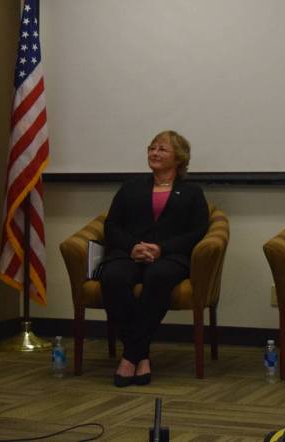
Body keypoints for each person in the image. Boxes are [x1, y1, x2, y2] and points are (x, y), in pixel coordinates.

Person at [99, 130, 210, 387]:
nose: (154, 153)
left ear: (178, 158)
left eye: (162, 149)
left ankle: (130, 357)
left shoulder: (192, 192)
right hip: (129, 253)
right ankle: (141, 354)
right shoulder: (130, 187)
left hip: (170, 257)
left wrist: (162, 249)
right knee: (113, 277)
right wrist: (132, 247)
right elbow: (111, 225)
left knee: (158, 276)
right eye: (152, 148)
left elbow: (198, 231)